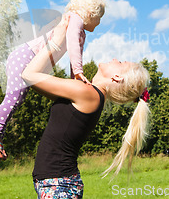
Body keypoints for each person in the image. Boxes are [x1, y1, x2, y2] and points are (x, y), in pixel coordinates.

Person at [21, 14, 151, 198]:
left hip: (59, 185)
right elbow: (41, 82)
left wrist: (57, 41)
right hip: (57, 184)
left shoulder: (88, 93)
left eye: (120, 63)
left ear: (117, 77)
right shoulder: (90, 93)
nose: (115, 58)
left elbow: (29, 75)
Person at [0, 0, 107, 160]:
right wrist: (78, 71)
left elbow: (76, 53)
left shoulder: (81, 33)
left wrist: (75, 80)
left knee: (20, 98)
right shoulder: (75, 19)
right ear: (89, 13)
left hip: (33, 63)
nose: (100, 22)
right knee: (14, 97)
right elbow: (71, 42)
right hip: (25, 57)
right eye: (99, 17)